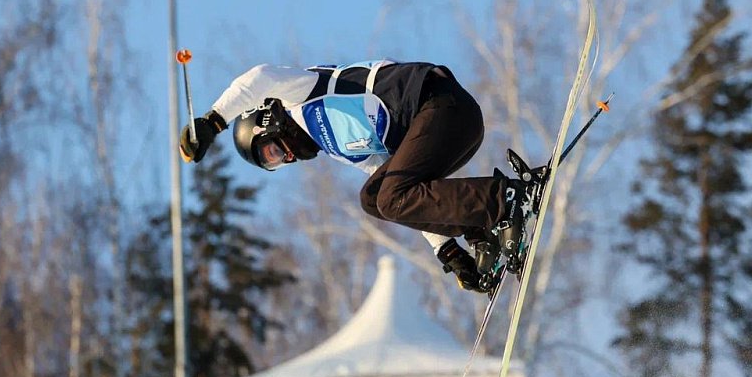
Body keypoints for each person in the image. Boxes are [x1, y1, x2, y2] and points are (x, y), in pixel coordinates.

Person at [178, 60, 531, 294]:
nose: (286, 157)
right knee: (375, 197)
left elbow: (259, 78)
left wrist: (213, 121)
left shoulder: (300, 96)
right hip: (445, 133)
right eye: (275, 163)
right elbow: (400, 187)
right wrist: (447, 249)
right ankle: (480, 228)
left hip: (441, 106)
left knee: (388, 195)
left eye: (271, 151)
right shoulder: (337, 145)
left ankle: (503, 200)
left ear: (267, 121)